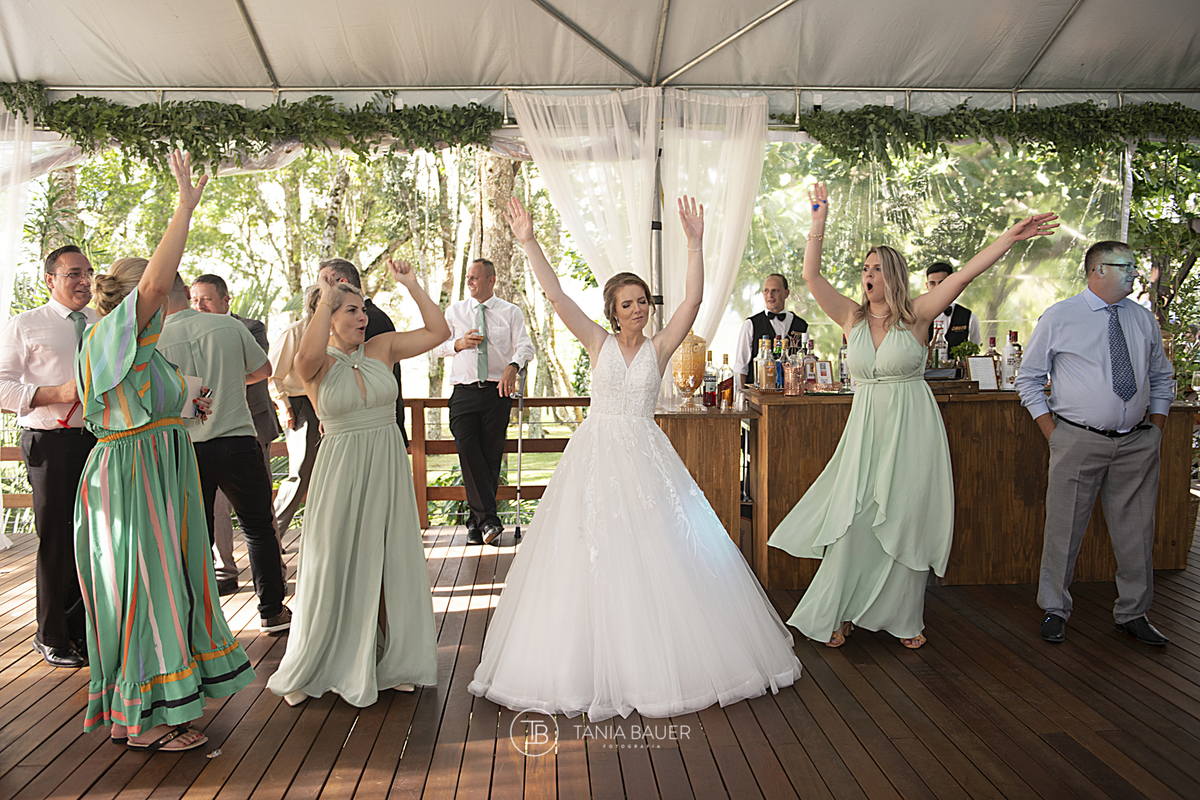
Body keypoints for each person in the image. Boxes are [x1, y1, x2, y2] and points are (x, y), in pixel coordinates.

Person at [467, 196, 802, 722]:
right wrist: (529, 240)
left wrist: (694, 243)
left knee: (658, 554)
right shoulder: (596, 342)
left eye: (643, 300)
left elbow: (692, 301)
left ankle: (662, 658)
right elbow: (555, 297)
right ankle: (588, 665)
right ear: (612, 311)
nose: (638, 309)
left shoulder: (660, 346)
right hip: (595, 457)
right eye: (628, 303)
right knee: (588, 554)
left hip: (647, 458)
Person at [768, 182, 1057, 650]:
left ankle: (903, 616)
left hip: (913, 426)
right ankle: (840, 609)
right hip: (866, 429)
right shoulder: (851, 318)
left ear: (894, 276)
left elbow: (964, 276)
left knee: (905, 515)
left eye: (877, 269)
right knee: (853, 517)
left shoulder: (917, 315)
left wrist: (1009, 238)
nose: (868, 275)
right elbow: (811, 278)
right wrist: (817, 222)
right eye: (865, 269)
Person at [75, 151, 254, 752]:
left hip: (159, 470)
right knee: (146, 589)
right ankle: (149, 719)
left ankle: (160, 706)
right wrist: (184, 205)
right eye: (166, 294)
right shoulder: (111, 334)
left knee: (168, 585)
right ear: (138, 305)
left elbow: (150, 398)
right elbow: (154, 283)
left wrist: (187, 403)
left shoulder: (140, 352)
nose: (172, 299)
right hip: (134, 480)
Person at [267, 259, 449, 708]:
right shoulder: (316, 363)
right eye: (350, 311)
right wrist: (328, 297)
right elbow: (303, 360)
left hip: (386, 460)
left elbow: (438, 332)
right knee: (335, 560)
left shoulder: (382, 348)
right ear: (327, 318)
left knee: (389, 559)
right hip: (341, 469)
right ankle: (317, 659)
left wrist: (411, 283)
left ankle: (390, 659)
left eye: (362, 308)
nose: (361, 316)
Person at [1016, 241, 1174, 646]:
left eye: (1135, 266)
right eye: (1127, 266)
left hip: (1136, 443)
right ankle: (1054, 609)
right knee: (1063, 529)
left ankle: (1134, 613)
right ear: (1098, 270)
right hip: (1077, 439)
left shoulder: (1142, 319)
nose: (1135, 273)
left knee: (1137, 532)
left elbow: (1161, 377)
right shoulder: (1060, 316)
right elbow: (1029, 379)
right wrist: (1055, 435)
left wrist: (1155, 427)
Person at [157, 276, 290, 633]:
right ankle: (272, 610)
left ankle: (195, 616)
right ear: (187, 293)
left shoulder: (155, 339)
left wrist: (201, 395)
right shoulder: (228, 326)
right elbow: (263, 371)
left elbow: (162, 394)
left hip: (187, 445)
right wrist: (227, 379)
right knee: (258, 527)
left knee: (193, 532)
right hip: (236, 440)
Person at [0, 245, 97, 668]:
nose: (84, 281)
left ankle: (85, 631)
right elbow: (1, 387)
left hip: (101, 441)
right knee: (58, 537)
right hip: (50, 445)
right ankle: (52, 634)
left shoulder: (104, 324)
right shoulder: (25, 325)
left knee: (96, 538)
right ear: (50, 280)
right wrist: (54, 394)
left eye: (89, 273)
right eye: (74, 273)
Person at [430, 259, 534, 545]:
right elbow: (436, 346)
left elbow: (525, 346)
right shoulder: (455, 312)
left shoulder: (510, 312)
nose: (469, 282)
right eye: (468, 277)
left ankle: (476, 525)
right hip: (463, 392)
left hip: (496, 392)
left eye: (475, 277)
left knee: (490, 457)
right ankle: (488, 520)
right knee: (467, 450)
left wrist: (514, 365)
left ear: (491, 280)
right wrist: (457, 344)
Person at [190, 273, 283, 593]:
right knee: (216, 504)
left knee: (259, 505)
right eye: (194, 299)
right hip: (205, 427)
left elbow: (256, 368)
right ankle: (224, 570)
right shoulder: (188, 331)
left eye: (206, 299)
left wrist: (215, 381)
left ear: (226, 300)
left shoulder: (250, 327)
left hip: (252, 424)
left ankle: (273, 569)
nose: (198, 306)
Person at [317, 259, 407, 446]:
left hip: (376, 433)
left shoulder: (372, 322)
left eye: (325, 283)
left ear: (341, 283)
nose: (321, 292)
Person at [268, 287, 322, 536]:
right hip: (300, 406)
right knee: (300, 473)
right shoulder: (295, 332)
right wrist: (284, 406)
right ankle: (274, 533)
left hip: (328, 403)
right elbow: (273, 374)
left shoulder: (336, 332)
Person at [732, 273, 808, 389]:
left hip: (793, 395)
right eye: (766, 291)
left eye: (775, 290)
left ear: (786, 293)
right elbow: (741, 366)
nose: (770, 295)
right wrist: (740, 397)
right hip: (758, 396)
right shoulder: (751, 324)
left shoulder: (801, 326)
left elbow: (806, 366)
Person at [924, 262, 982, 349]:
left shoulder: (969, 317)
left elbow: (974, 351)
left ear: (951, 283)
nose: (937, 288)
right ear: (927, 286)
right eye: (932, 283)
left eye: (941, 283)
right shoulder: (917, 316)